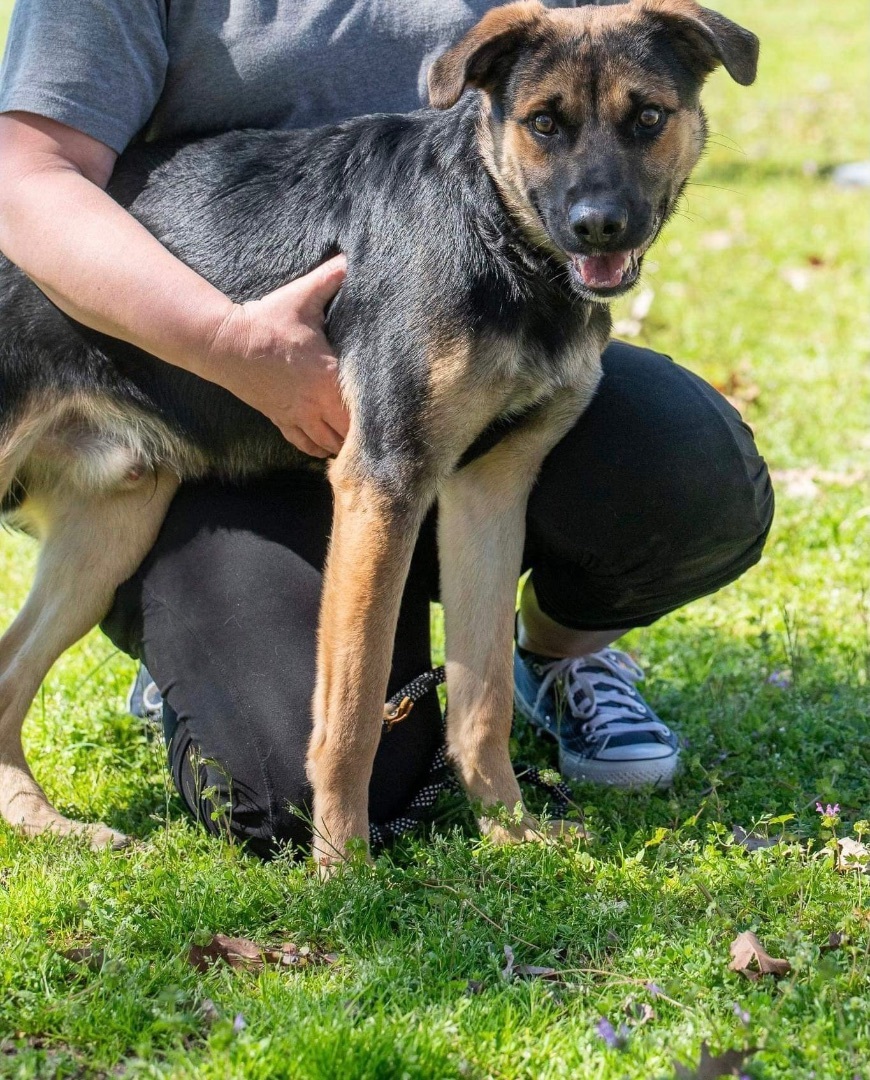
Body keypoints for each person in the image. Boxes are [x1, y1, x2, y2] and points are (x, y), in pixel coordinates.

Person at [0, 0, 773, 858]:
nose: (598, 199)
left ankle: (541, 684)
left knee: (679, 459)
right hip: (137, 353)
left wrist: (489, 778)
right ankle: (211, 686)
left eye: (647, 124)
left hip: (444, 308)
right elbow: (27, 175)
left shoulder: (576, 75)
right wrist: (224, 341)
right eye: (548, 127)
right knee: (288, 798)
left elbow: (489, 487)